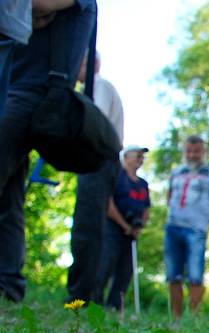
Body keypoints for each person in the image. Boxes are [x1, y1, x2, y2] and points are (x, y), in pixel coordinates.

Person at [0, 0, 97, 302]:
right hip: (20, 90)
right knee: (9, 196)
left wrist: (23, 10)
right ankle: (9, 286)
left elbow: (36, 4)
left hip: (33, 94)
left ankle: (9, 284)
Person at [66, 51, 125, 303]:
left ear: (88, 65)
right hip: (104, 161)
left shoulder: (99, 86)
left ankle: (82, 295)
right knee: (93, 226)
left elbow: (93, 120)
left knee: (87, 227)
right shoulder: (102, 87)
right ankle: (89, 293)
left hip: (98, 159)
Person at [165, 135, 209, 318]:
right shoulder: (176, 172)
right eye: (189, 151)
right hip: (173, 227)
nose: (192, 155)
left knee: (195, 274)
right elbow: (170, 197)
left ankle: (193, 318)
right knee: (173, 275)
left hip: (196, 230)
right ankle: (176, 319)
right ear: (184, 152)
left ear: (204, 152)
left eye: (197, 151)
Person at [96, 145, 149, 310]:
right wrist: (123, 224)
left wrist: (139, 226)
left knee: (126, 270)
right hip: (113, 228)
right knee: (105, 264)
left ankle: (115, 305)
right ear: (126, 157)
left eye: (142, 156)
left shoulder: (143, 184)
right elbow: (108, 203)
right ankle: (94, 302)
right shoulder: (117, 177)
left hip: (133, 232)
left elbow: (147, 208)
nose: (140, 158)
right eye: (137, 155)